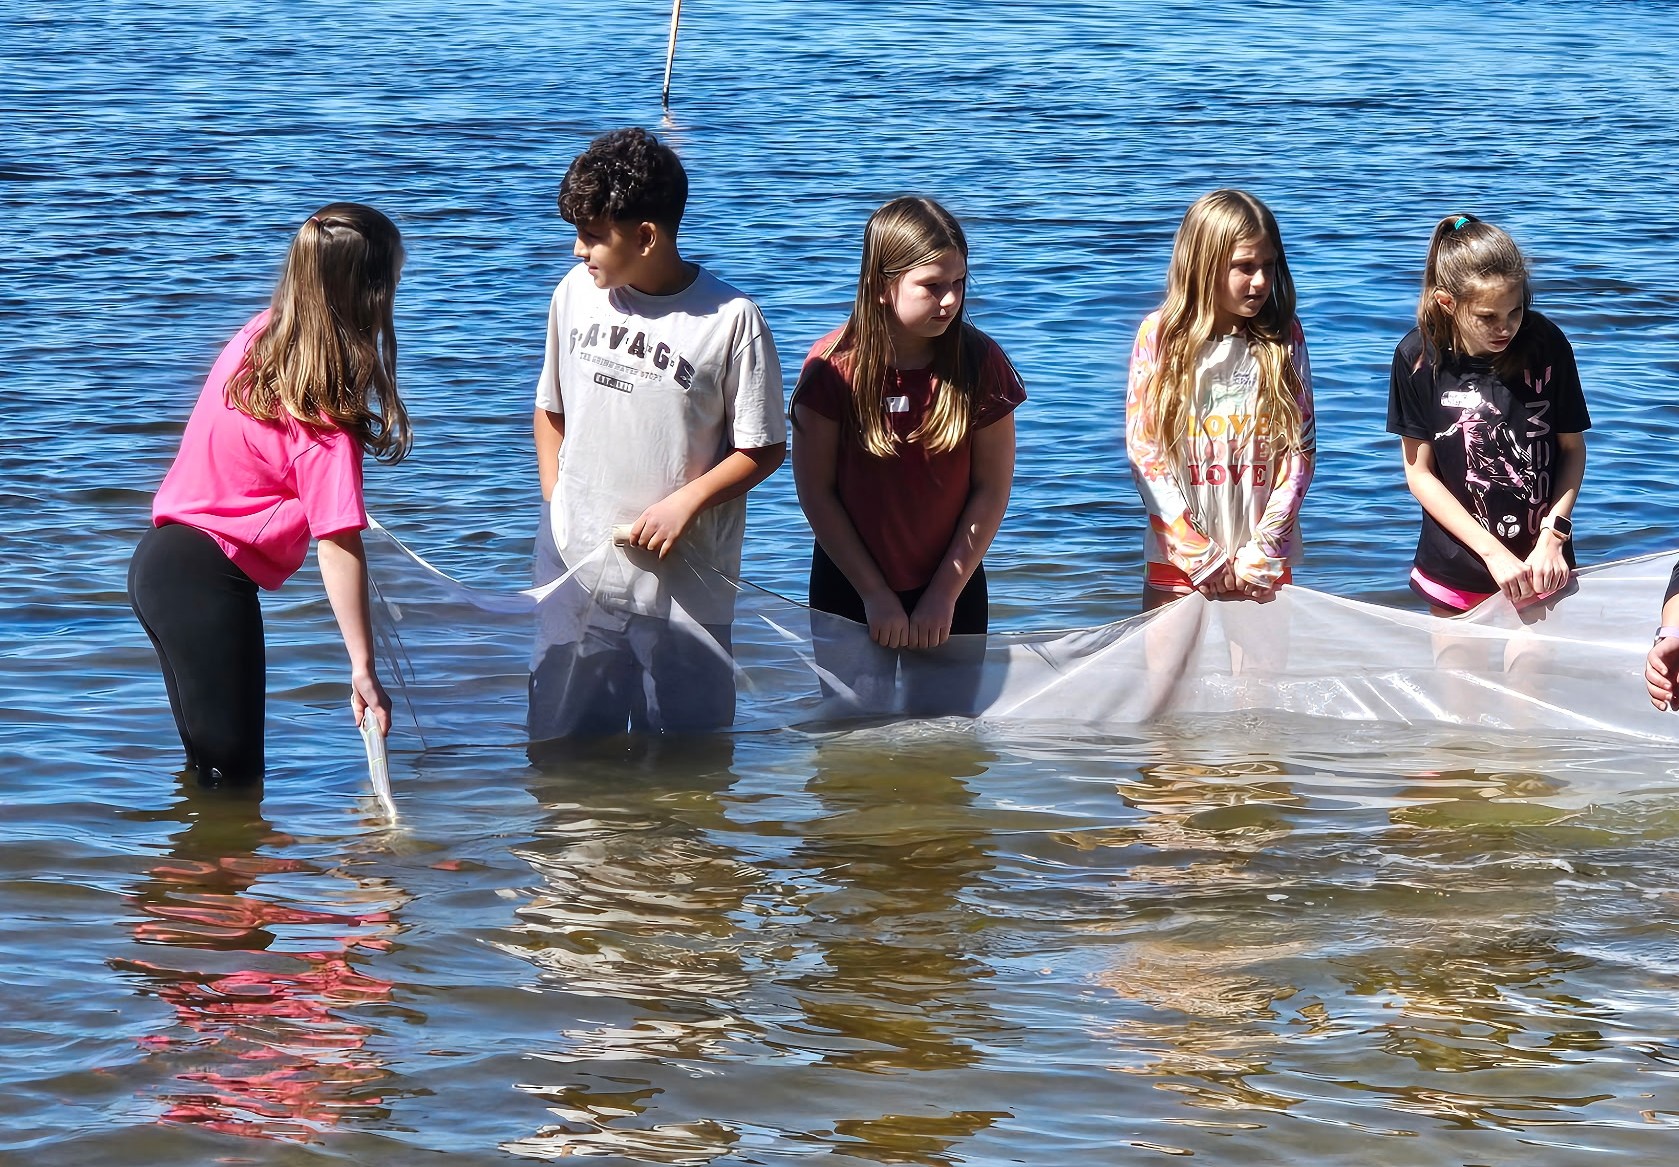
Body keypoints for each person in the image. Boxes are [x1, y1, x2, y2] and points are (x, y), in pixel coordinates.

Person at [128, 203, 411, 784]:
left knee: (208, 775)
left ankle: (191, 846)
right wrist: (363, 668)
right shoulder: (323, 414)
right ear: (370, 293)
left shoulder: (257, 339)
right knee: (235, 783)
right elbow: (338, 542)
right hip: (206, 583)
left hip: (159, 566)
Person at [530, 127, 786, 738]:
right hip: (576, 570)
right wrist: (557, 502)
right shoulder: (574, 294)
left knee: (687, 759)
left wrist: (684, 504)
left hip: (685, 581)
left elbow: (763, 447)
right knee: (565, 753)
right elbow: (549, 410)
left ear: (646, 237)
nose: (577, 250)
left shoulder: (731, 321)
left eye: (594, 235)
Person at [790, 196, 1024, 714]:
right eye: (932, 286)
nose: (950, 300)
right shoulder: (833, 367)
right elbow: (816, 493)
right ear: (882, 285)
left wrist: (944, 593)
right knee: (851, 735)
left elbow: (992, 489)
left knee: (947, 738)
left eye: (959, 283)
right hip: (848, 582)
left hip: (953, 580)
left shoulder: (980, 361)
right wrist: (874, 594)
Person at [1387, 214, 1589, 616]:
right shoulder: (1417, 358)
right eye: (1487, 317)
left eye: (1515, 311)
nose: (1506, 328)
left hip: (1541, 565)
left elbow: (1572, 449)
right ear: (1447, 303)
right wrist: (1493, 554)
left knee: (1535, 659)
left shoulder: (1546, 344)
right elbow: (1420, 474)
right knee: (1455, 660)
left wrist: (1553, 537)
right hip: (1455, 566)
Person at [1125, 189, 1315, 612]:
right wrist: (1196, 551)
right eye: (1245, 267)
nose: (1260, 281)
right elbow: (1145, 452)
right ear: (1204, 265)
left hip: (1262, 562)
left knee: (1265, 659)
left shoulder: (1284, 337)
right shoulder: (1159, 336)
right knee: (1169, 657)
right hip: (1179, 558)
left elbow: (1299, 452)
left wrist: (1265, 547)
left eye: (1269, 266)